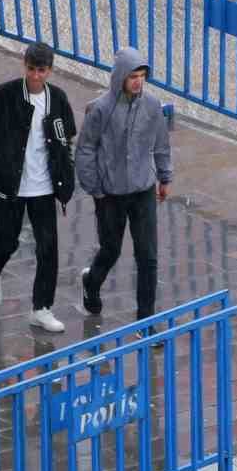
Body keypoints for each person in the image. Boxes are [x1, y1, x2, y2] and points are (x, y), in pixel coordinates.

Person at [0, 41, 76, 333]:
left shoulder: (58, 99)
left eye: (41, 71)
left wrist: (66, 176)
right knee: (7, 242)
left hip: (44, 187)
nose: (35, 76)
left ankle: (42, 308)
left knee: (48, 248)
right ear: (24, 66)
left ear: (50, 71)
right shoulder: (2, 96)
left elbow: (66, 138)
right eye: (31, 69)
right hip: (10, 186)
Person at [77, 47, 173, 320]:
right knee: (111, 249)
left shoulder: (153, 106)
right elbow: (85, 149)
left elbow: (161, 143)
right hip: (110, 193)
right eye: (133, 76)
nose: (138, 81)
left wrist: (164, 176)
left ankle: (146, 319)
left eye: (142, 76)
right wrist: (95, 188)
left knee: (148, 257)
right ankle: (91, 282)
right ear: (120, 77)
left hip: (143, 190)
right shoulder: (100, 109)